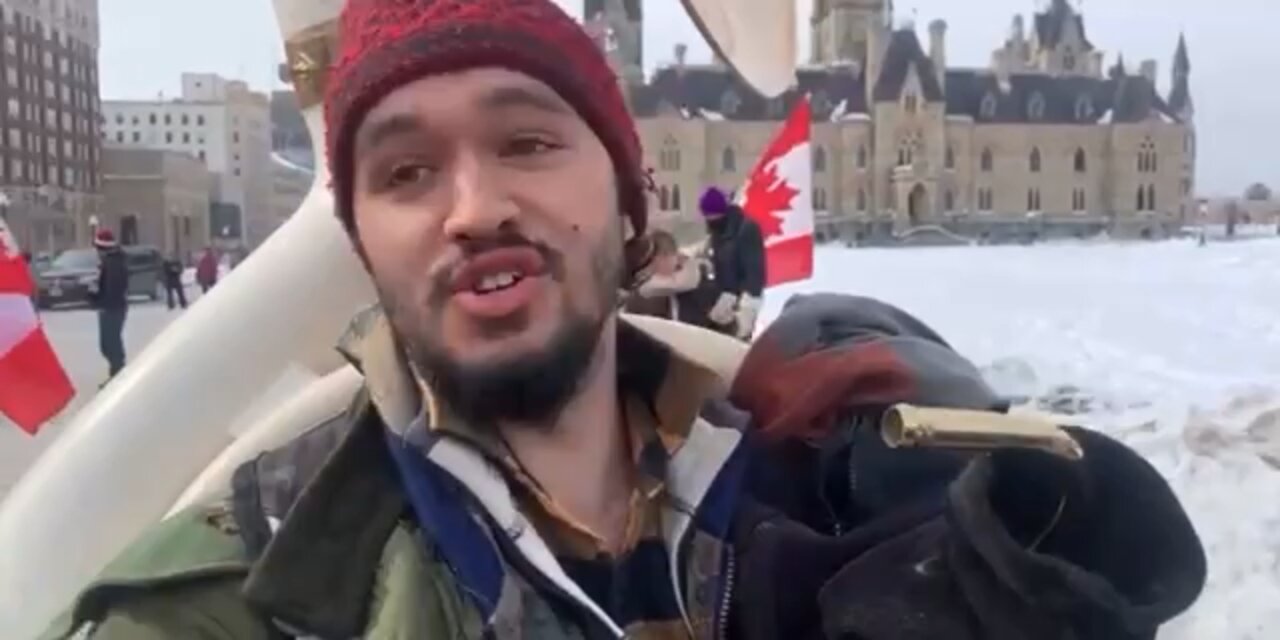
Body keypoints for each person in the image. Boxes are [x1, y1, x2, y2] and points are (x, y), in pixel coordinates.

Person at [44, 1, 1204, 638]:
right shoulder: (237, 604)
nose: (475, 205)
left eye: (529, 142)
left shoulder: (819, 492)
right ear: (359, 239)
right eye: (403, 173)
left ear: (628, 196)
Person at [697, 186, 766, 341]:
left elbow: (755, 273)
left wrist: (745, 310)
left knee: (736, 344)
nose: (708, 219)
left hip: (742, 302)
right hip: (724, 298)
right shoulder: (717, 233)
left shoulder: (747, 229)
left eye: (710, 214)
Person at [624, 229, 701, 320]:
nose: (676, 265)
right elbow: (689, 281)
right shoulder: (646, 284)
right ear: (662, 257)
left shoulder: (644, 278)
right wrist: (688, 261)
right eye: (674, 259)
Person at [88, 229, 129, 380]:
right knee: (109, 344)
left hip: (112, 308)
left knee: (111, 345)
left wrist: (98, 299)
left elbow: (112, 289)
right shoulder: (110, 262)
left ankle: (118, 376)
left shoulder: (113, 264)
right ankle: (116, 374)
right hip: (111, 307)